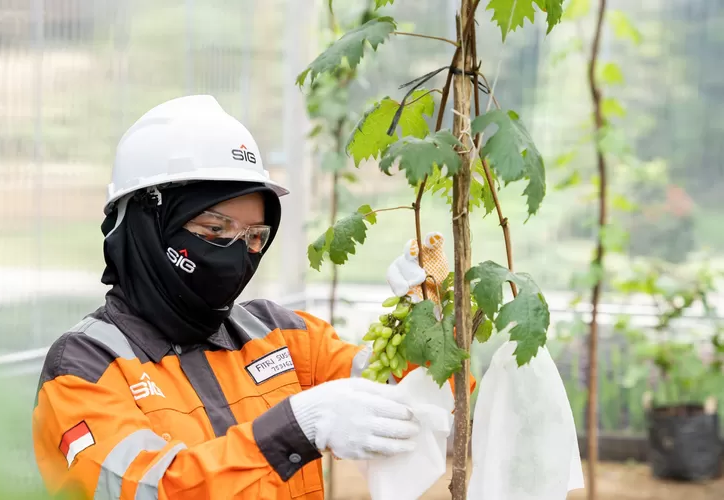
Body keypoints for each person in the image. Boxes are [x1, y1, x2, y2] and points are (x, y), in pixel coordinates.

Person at [31, 95, 472, 500]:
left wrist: (427, 328)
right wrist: (290, 432)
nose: (235, 253)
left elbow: (419, 405)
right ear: (147, 226)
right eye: (214, 230)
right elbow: (140, 490)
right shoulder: (86, 366)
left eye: (254, 235)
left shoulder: (284, 336)